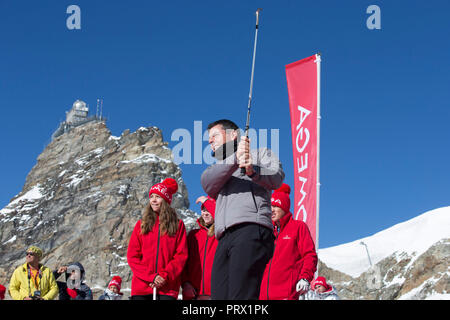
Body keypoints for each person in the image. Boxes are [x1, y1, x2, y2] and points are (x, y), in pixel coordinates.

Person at [201, 119, 285, 300]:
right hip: (224, 237)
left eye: (214, 135)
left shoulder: (261, 153)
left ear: (233, 135)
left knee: (241, 297)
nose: (210, 141)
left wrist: (252, 169)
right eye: (208, 138)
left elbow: (277, 177)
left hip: (251, 230)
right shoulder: (218, 167)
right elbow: (207, 183)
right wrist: (235, 158)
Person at [127, 178, 188, 300]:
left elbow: (181, 255)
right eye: (152, 197)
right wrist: (151, 277)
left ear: (165, 200)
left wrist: (164, 276)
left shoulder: (178, 225)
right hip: (142, 288)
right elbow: (132, 256)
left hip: (167, 288)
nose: (153, 200)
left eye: (158, 197)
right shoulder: (141, 225)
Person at [259, 183, 318, 300]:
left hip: (286, 295)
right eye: (270, 206)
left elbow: (310, 255)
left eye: (276, 206)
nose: (272, 210)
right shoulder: (267, 231)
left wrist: (305, 277)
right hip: (262, 297)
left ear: (285, 207)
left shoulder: (298, 227)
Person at [181, 195, 218, 300]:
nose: (205, 213)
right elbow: (183, 261)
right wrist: (185, 283)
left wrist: (206, 201)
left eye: (208, 210)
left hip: (215, 294)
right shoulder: (193, 235)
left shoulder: (221, 235)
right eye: (203, 210)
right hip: (193, 294)